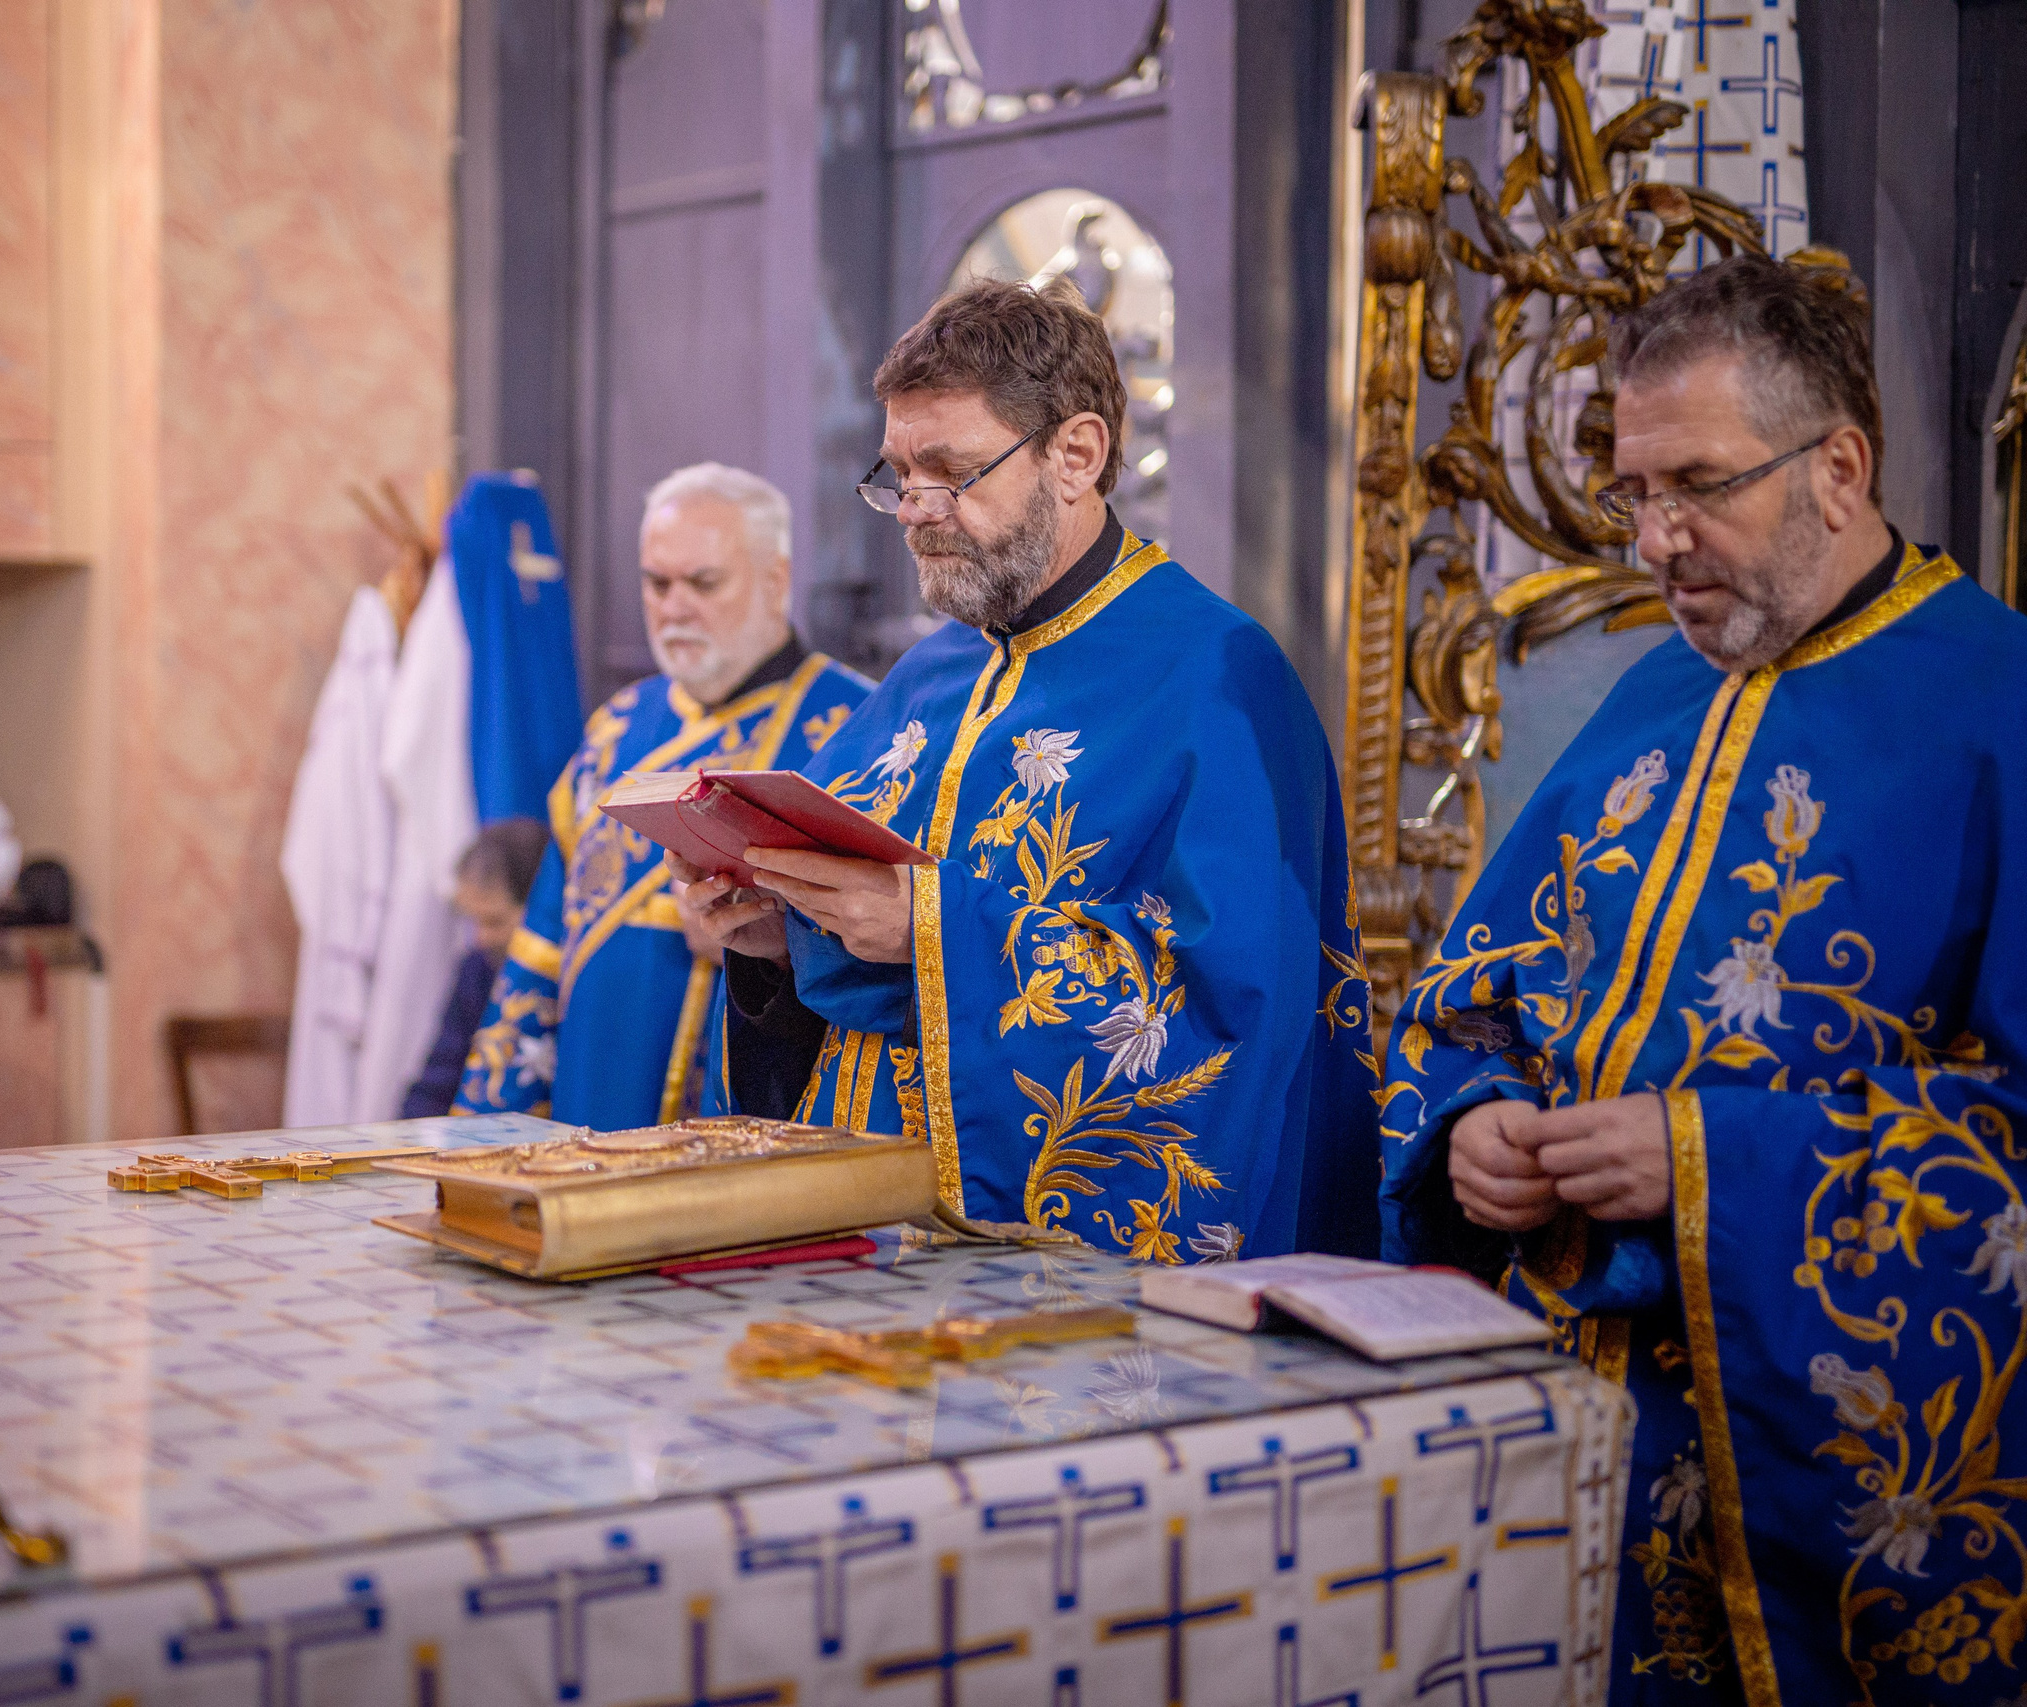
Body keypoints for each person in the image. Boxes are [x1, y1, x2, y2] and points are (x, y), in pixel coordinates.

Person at [1379, 254, 2027, 1705]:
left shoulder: (2003, 710)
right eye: (1633, 492)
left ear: (1840, 467)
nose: (1658, 537)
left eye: (1701, 485)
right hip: (1559, 1438)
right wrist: (1472, 1115)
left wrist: (1702, 1154)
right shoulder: (1653, 690)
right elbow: (1475, 991)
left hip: (1809, 1490)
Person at [679, 279, 1378, 1262]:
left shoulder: (1218, 680)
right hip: (864, 1251)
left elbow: (1233, 1011)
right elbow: (864, 961)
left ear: (1076, 455)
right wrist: (774, 942)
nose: (915, 511)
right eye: (897, 475)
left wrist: (929, 927)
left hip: (1051, 1291)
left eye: (950, 472)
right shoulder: (925, 677)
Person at [454, 464, 872, 1127]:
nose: (674, 605)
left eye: (704, 582)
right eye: (657, 582)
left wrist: (773, 947)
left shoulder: (858, 729)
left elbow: (886, 961)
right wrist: (488, 1132)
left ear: (776, 579)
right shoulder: (615, 730)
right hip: (590, 1124)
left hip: (758, 1127)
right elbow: (541, 949)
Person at [400, 819, 547, 1119]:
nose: (481, 937)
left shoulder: (567, 977)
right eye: (474, 921)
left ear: (539, 910)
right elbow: (439, 1078)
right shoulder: (478, 968)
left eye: (494, 921)